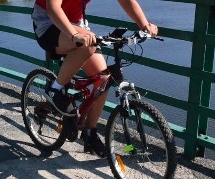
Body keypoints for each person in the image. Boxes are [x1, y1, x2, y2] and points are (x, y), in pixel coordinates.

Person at [32, 0, 158, 157]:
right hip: (48, 23)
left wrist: (144, 24)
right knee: (87, 46)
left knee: (103, 78)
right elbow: (53, 8)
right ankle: (55, 90)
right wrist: (74, 35)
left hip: (77, 25)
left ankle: (90, 132)